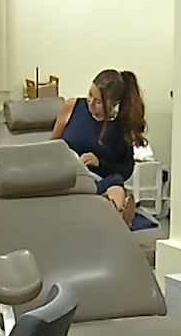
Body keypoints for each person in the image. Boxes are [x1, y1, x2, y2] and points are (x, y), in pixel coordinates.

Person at [50, 69, 149, 227]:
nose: (90, 103)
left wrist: (99, 163)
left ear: (113, 104)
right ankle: (112, 217)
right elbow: (51, 147)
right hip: (70, 178)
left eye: (98, 102)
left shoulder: (121, 126)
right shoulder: (72, 106)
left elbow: (126, 169)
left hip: (98, 181)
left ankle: (117, 215)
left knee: (115, 182)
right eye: (90, 95)